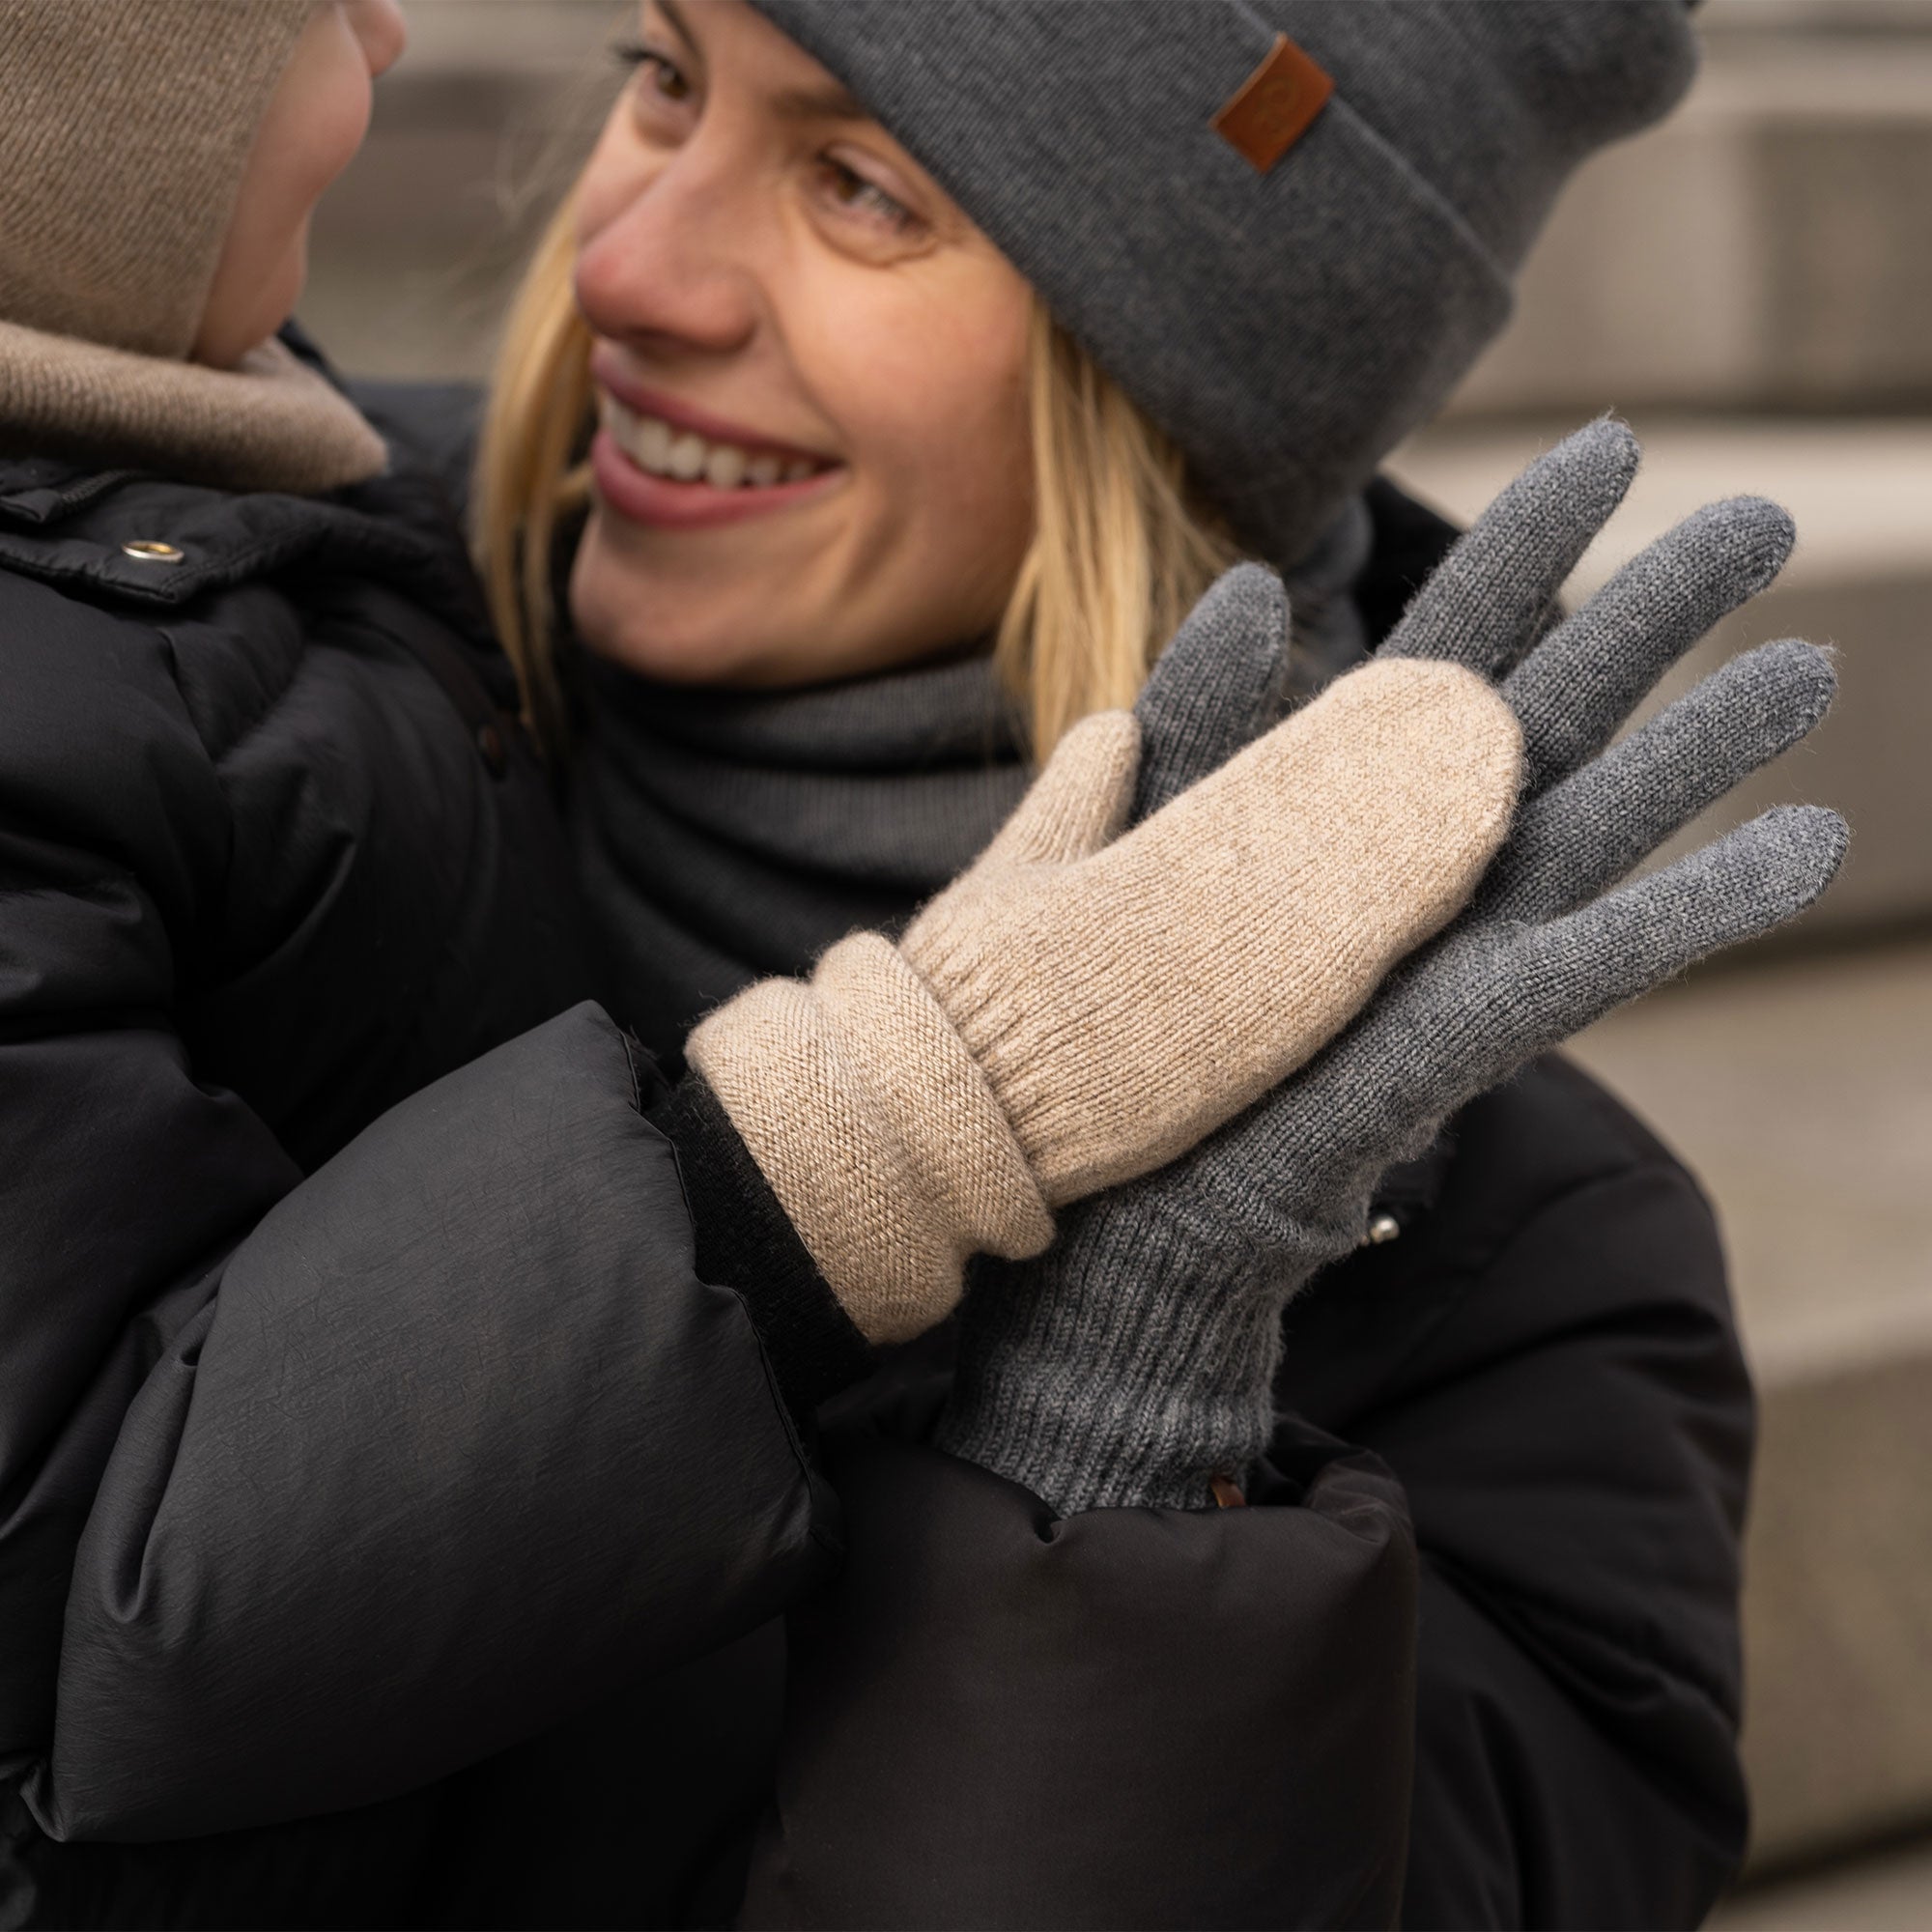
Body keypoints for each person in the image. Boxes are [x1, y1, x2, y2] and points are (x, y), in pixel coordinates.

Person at [0, 6, 1842, 1931]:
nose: (624, 265)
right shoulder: (199, 718)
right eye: (662, 75)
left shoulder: (1531, 1283)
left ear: (1177, 377)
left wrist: (1123, 1442)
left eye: (861, 188)